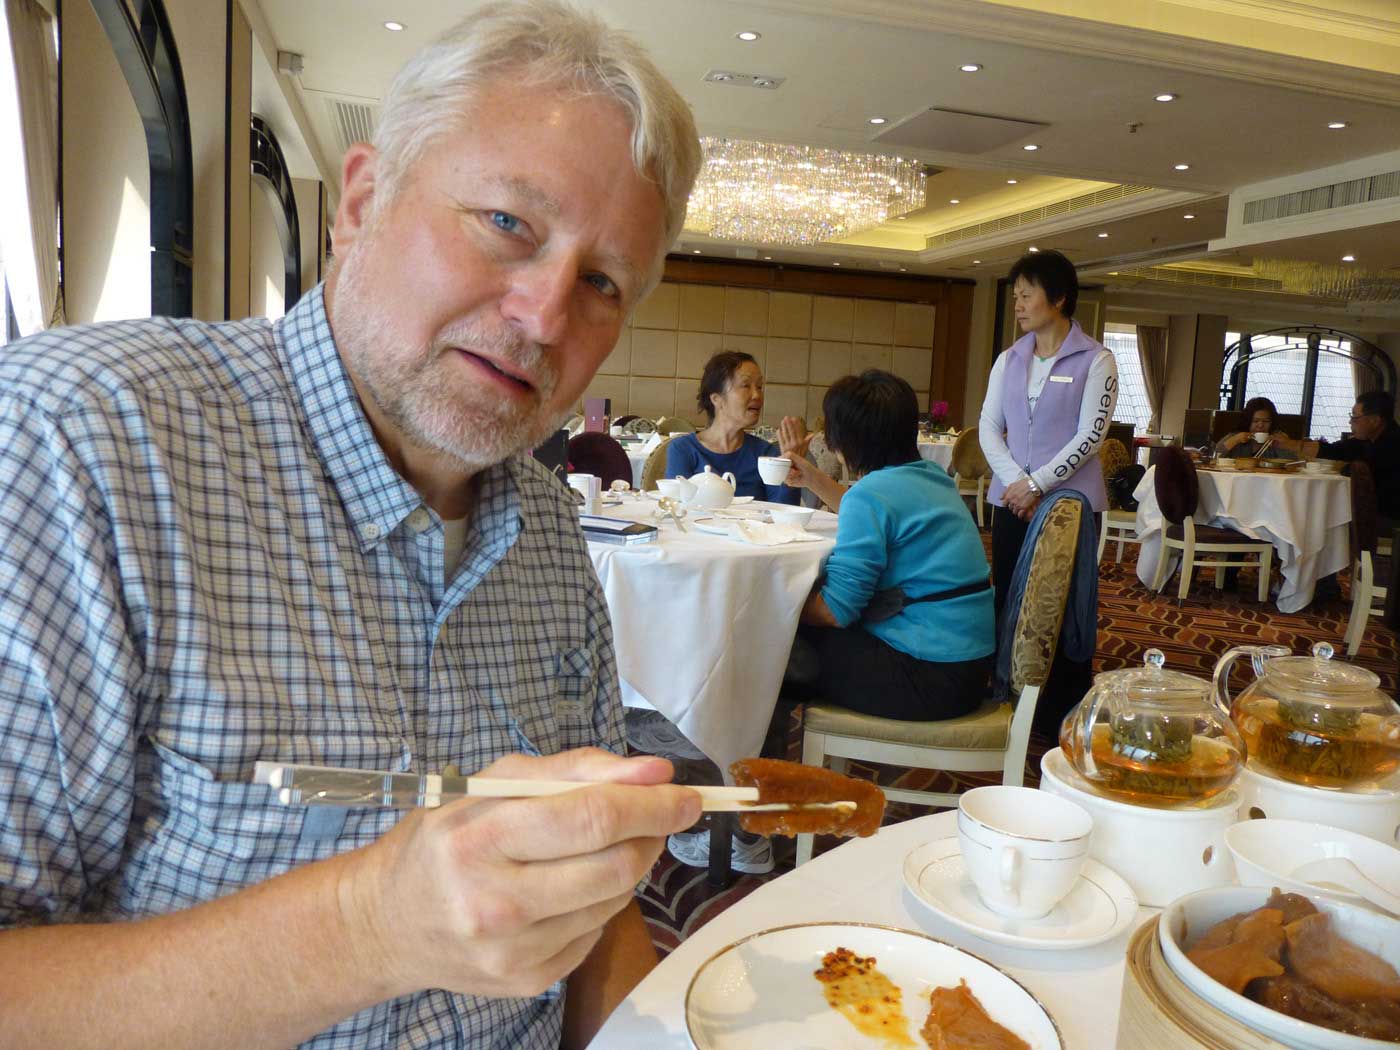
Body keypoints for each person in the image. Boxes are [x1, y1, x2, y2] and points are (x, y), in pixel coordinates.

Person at [0, 4, 704, 1048]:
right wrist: (369, 926)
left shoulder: (553, 535)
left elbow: (591, 903)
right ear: (363, 201)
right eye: (507, 223)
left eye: (601, 282)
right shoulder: (75, 444)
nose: (545, 315)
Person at [779, 371, 995, 718]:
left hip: (927, 676)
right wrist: (812, 478)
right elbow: (873, 508)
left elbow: (836, 611)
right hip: (969, 666)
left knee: (769, 640)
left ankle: (755, 745)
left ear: (847, 442)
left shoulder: (871, 496)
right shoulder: (932, 477)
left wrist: (771, 605)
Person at [979, 249, 1117, 719]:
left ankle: (1059, 710)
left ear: (1058, 299)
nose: (1017, 305)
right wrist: (1017, 484)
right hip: (1012, 501)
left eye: (1027, 295)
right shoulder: (1009, 359)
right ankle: (1007, 698)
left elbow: (1091, 435)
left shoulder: (1097, 360)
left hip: (1069, 507)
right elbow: (988, 426)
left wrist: (1037, 484)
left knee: (1061, 606)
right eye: (1016, 296)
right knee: (1009, 597)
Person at [664, 351, 800, 503]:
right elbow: (675, 507)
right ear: (717, 399)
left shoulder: (765, 454)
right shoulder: (683, 449)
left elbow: (784, 512)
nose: (757, 395)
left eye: (759, 387)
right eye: (746, 385)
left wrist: (790, 473)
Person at [1319, 391, 1400, 526]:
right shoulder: (1369, 439)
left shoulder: (1392, 444)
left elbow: (1355, 471)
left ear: (1375, 421)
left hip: (1389, 518)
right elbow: (1334, 449)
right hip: (1376, 511)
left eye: (1355, 417)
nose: (1350, 421)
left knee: (1326, 516)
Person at [1212, 396, 1299, 460]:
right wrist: (1235, 439)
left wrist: (1285, 445)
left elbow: (1293, 462)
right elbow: (1215, 455)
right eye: (1255, 421)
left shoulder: (1277, 438)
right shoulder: (1237, 436)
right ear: (1247, 421)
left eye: (1266, 421)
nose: (1260, 425)